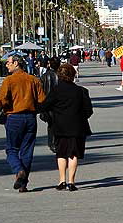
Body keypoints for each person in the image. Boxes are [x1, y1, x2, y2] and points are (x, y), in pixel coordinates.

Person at [39, 63, 93, 191]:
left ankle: (61, 180)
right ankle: (71, 182)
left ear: (59, 75)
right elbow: (89, 110)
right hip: (77, 127)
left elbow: (44, 106)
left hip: (59, 126)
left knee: (61, 153)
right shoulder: (81, 91)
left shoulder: (56, 91)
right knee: (73, 154)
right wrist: (80, 116)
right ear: (73, 75)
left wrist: (52, 115)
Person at [0, 54, 45, 192]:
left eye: (8, 62)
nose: (7, 65)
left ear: (16, 63)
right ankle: (23, 184)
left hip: (14, 116)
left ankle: (19, 171)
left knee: (12, 149)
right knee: (27, 150)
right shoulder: (33, 80)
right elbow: (42, 99)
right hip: (30, 117)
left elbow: (1, 100)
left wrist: (6, 107)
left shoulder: (9, 81)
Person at [40, 56, 61, 152]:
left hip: (48, 103)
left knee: (51, 124)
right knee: (59, 124)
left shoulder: (45, 76)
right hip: (59, 103)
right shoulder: (61, 75)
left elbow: (41, 90)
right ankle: (56, 142)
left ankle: (52, 143)